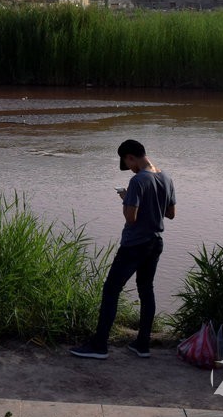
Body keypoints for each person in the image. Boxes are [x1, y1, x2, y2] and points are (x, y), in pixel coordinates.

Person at [70, 139, 176, 359]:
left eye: (127, 163)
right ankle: (142, 344)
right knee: (146, 291)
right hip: (155, 242)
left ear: (131, 157)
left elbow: (131, 217)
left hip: (134, 245)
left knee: (111, 290)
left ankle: (99, 345)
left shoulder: (138, 180)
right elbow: (170, 213)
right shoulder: (166, 177)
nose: (129, 168)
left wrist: (127, 197)